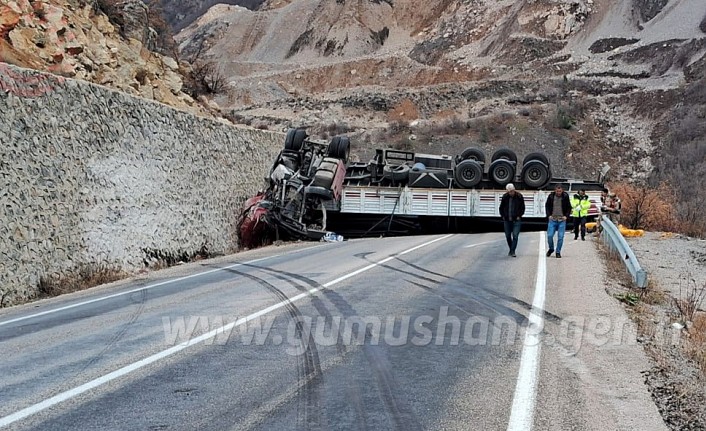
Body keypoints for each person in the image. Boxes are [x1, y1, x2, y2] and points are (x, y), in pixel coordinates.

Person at [545, 184, 572, 258]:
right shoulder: (551, 196)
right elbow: (547, 206)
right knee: (550, 235)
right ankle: (551, 249)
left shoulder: (565, 197)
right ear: (555, 190)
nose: (558, 193)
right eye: (557, 191)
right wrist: (548, 215)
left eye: (560, 191)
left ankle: (558, 251)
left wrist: (566, 216)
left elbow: (569, 207)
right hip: (552, 219)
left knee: (560, 237)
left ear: (562, 190)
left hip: (561, 220)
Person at [499, 183, 525, 257]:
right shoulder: (505, 197)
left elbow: (522, 207)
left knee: (515, 235)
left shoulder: (519, 196)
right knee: (507, 236)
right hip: (507, 219)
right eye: (509, 191)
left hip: (516, 219)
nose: (511, 193)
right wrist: (503, 216)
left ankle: (512, 251)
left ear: (514, 190)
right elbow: (501, 207)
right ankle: (511, 249)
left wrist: (519, 215)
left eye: (512, 191)